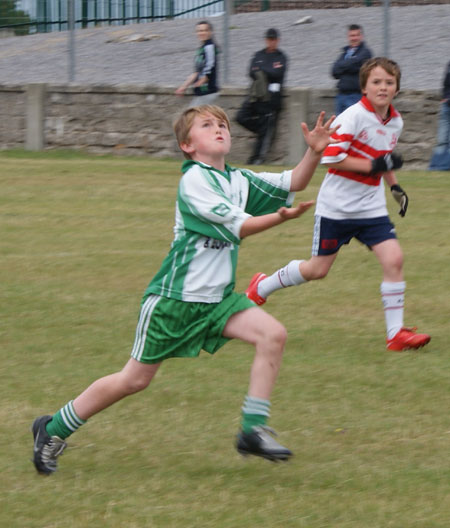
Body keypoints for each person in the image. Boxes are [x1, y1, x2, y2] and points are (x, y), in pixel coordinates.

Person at [31, 104, 339, 475]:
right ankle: (52, 429)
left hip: (217, 301)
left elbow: (294, 182)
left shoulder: (237, 179)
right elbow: (240, 227)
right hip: (174, 302)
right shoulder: (194, 181)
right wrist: (279, 217)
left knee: (273, 334)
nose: (219, 129)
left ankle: (252, 430)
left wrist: (314, 151)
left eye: (222, 124)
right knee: (134, 380)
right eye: (207, 125)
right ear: (187, 145)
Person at [246, 57, 431, 352]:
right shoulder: (353, 116)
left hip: (371, 208)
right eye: (377, 82)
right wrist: (374, 165)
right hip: (337, 208)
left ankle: (395, 334)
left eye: (389, 82)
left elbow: (384, 158)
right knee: (317, 270)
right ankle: (262, 286)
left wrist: (394, 186)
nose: (383, 87)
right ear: (364, 87)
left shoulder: (396, 121)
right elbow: (331, 158)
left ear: (397, 88)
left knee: (394, 259)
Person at [236, 28, 288, 165]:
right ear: (266, 40)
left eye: (273, 40)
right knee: (241, 117)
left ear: (277, 40)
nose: (271, 42)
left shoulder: (281, 57)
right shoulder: (258, 55)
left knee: (266, 131)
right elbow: (251, 71)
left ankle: (257, 159)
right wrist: (266, 70)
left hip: (271, 99)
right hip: (256, 95)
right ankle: (261, 130)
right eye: (269, 39)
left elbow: (277, 73)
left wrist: (262, 70)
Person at [175, 20, 219, 107]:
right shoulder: (201, 49)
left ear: (210, 32)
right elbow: (196, 72)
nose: (201, 33)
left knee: (190, 118)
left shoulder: (209, 47)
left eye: (205, 30)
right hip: (202, 93)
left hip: (207, 92)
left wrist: (202, 80)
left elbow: (210, 66)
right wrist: (184, 86)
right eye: (199, 31)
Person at [331, 24, 372, 115]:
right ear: (348, 37)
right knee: (339, 126)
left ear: (361, 36)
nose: (354, 38)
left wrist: (343, 67)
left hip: (356, 96)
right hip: (341, 96)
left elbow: (357, 63)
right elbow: (334, 71)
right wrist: (350, 65)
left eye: (356, 35)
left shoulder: (365, 53)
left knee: (354, 126)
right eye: (352, 36)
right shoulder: (345, 53)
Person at [428, 60, 450, 170]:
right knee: (441, 141)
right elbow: (445, 83)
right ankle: (434, 167)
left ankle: (445, 167)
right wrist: (444, 98)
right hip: (446, 106)